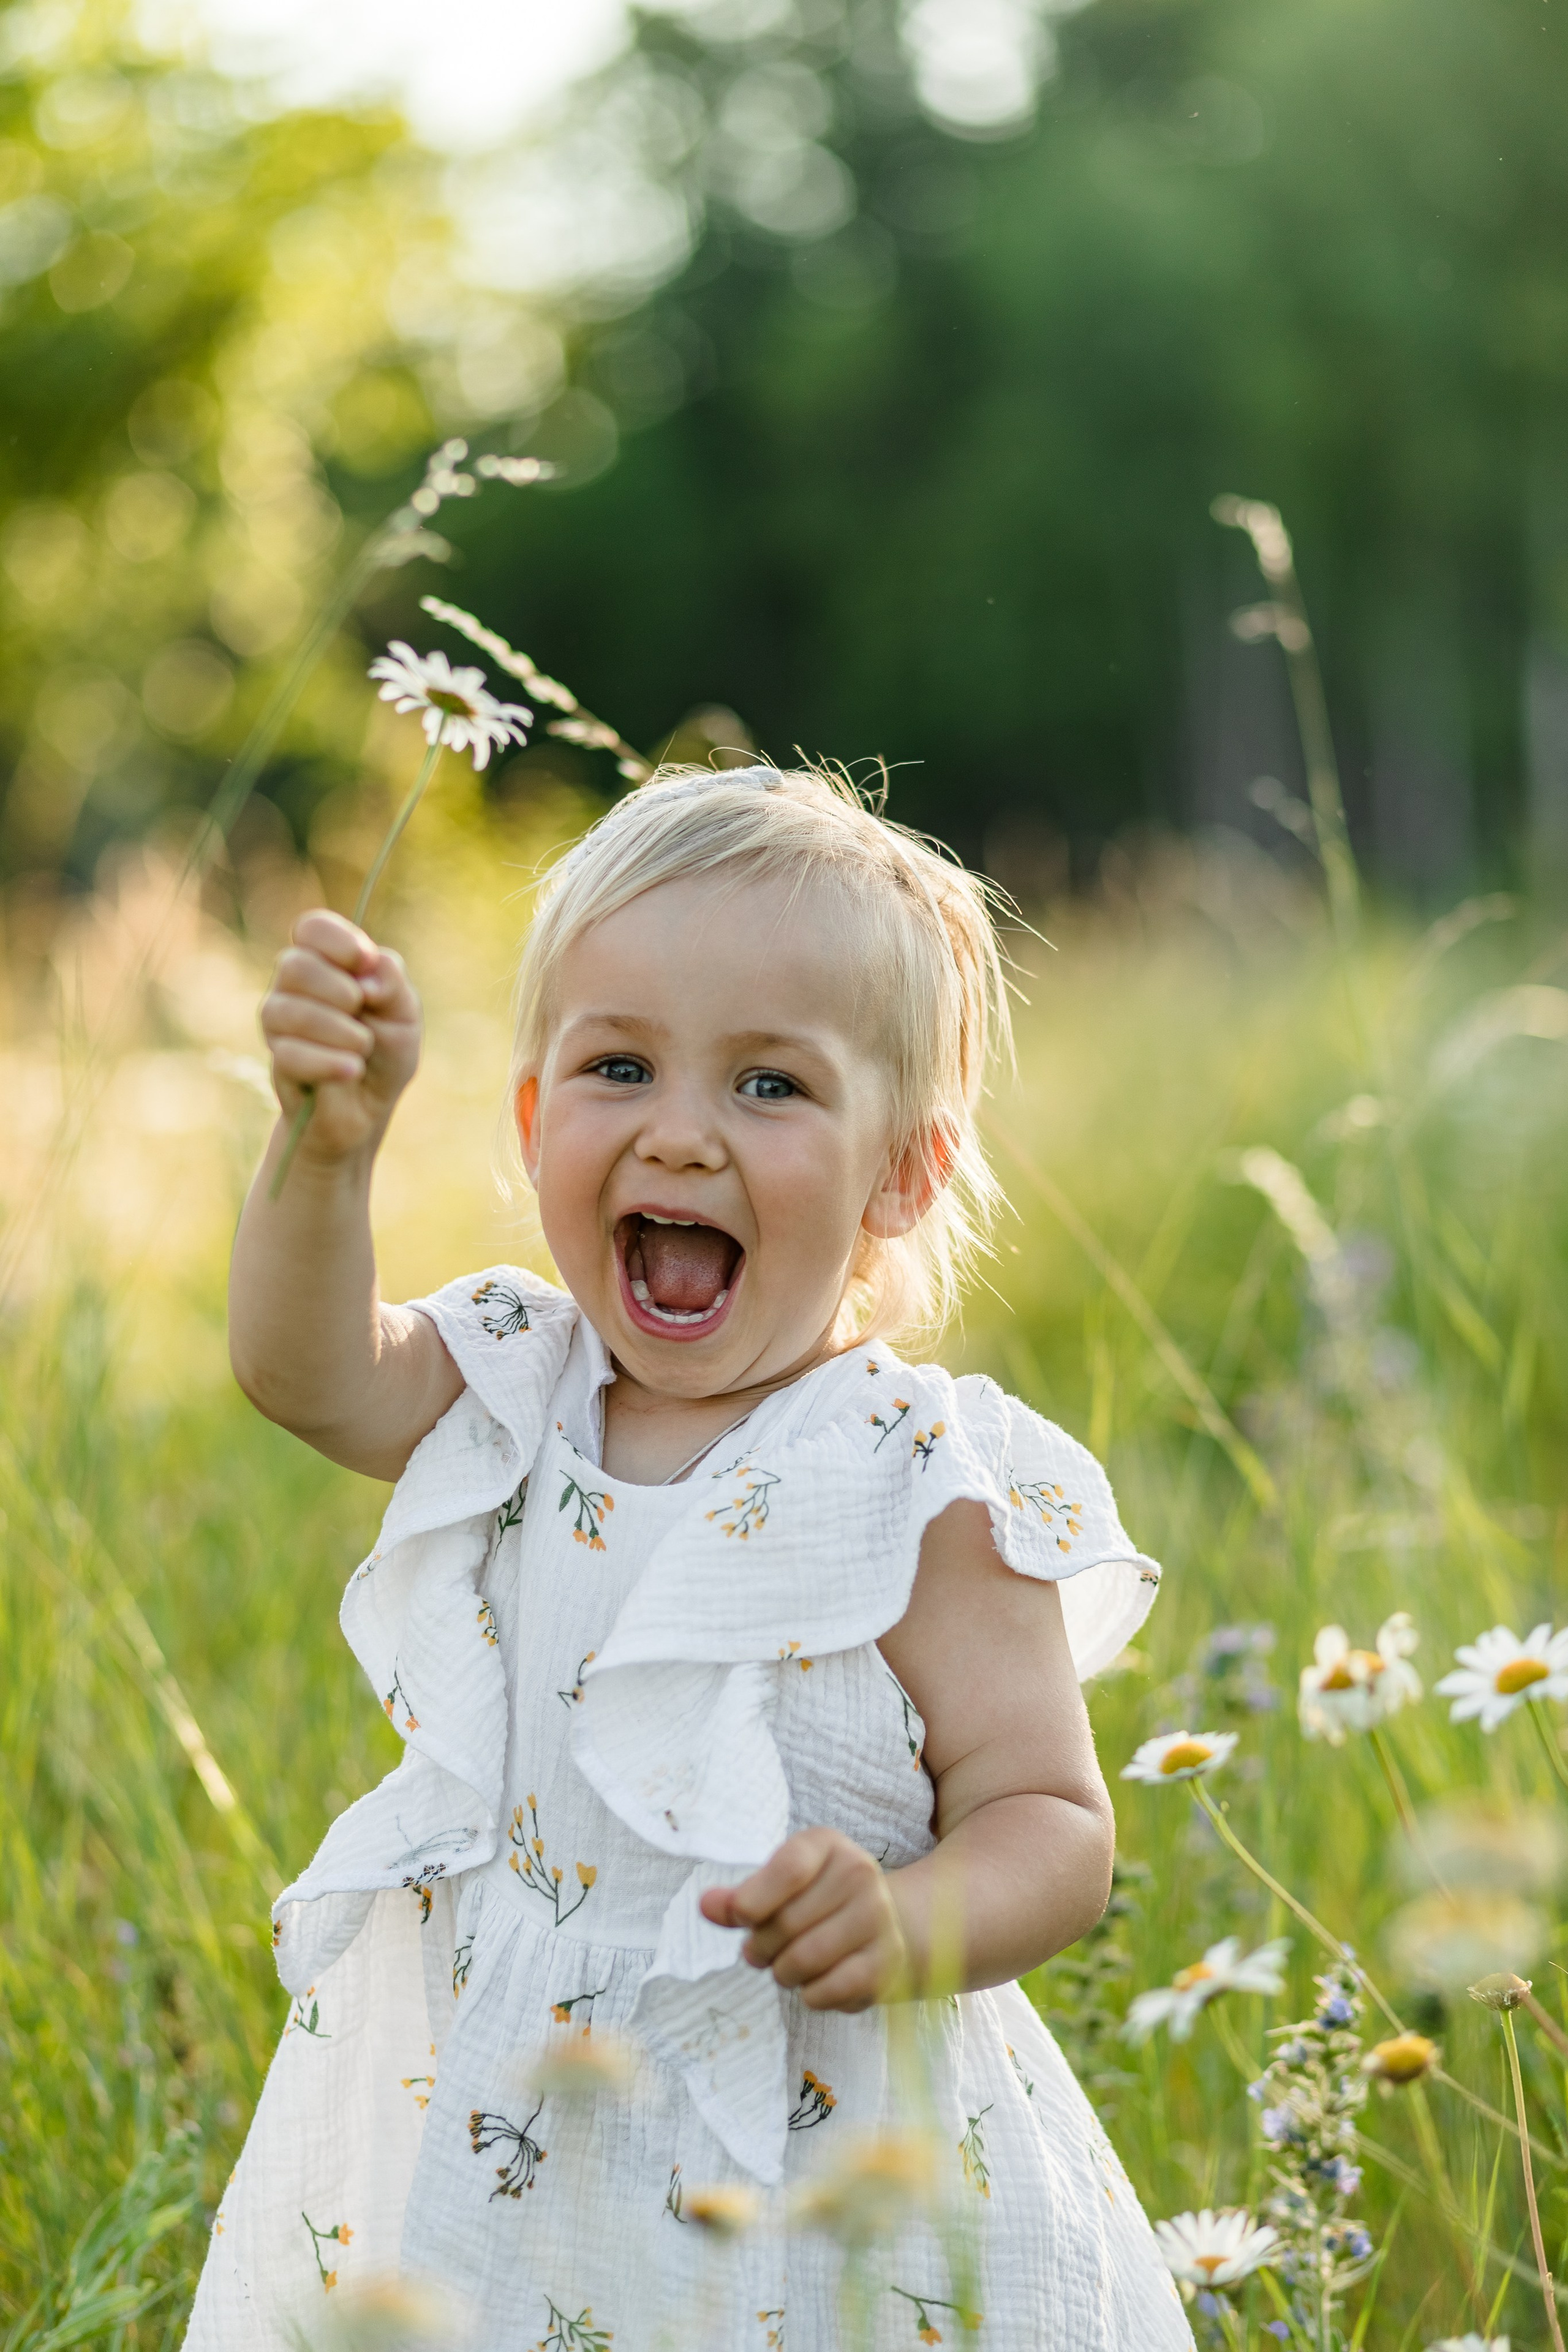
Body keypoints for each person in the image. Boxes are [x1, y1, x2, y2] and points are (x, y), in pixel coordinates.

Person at [189, 765, 1192, 2351]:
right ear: (532, 1120)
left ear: (903, 1172)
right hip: (531, 2117)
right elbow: (303, 1371)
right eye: (620, 1065)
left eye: (771, 1088)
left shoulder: (914, 1485)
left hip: (834, 2155)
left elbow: (1056, 1823)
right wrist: (325, 1153)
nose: (682, 1132)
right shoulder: (515, 1381)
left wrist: (908, 1916)